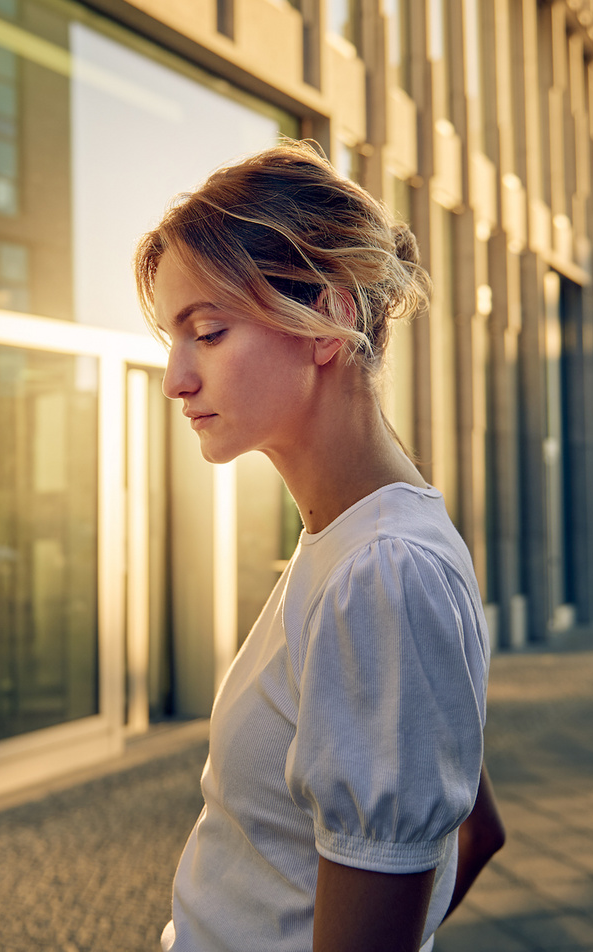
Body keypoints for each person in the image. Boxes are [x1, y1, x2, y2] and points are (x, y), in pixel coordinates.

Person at [134, 140, 506, 952]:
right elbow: (476, 832)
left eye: (209, 332)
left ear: (331, 319)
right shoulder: (349, 545)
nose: (175, 379)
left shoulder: (383, 572)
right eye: (174, 337)